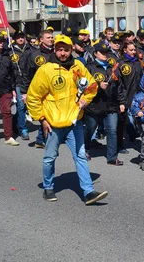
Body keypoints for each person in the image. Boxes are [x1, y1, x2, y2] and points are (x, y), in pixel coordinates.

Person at [26, 34, 108, 205]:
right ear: (55, 49)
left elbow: (91, 86)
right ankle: (48, 187)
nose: (62, 53)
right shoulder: (46, 70)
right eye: (59, 49)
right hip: (53, 124)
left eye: (66, 50)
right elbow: (33, 97)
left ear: (71, 50)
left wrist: (86, 99)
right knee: (50, 157)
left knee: (80, 156)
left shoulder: (78, 66)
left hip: (74, 122)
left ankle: (88, 192)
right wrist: (42, 119)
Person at [83, 42, 123, 165]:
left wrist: (122, 102)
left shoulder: (112, 68)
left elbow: (120, 86)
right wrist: (98, 86)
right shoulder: (90, 67)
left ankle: (112, 157)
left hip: (111, 105)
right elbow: (84, 85)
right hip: (95, 105)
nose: (105, 55)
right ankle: (85, 150)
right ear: (95, 54)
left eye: (106, 52)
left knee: (112, 130)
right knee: (90, 129)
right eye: (102, 52)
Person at [22, 29, 55, 148]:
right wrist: (24, 92)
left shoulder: (56, 53)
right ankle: (42, 138)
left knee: (49, 113)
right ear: (41, 40)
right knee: (44, 114)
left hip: (54, 89)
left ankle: (41, 138)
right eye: (48, 37)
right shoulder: (35, 55)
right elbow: (27, 74)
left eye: (52, 37)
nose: (51, 39)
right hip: (39, 89)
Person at [117, 41, 144, 153]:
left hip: (137, 96)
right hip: (124, 96)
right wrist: (121, 100)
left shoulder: (138, 63)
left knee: (140, 119)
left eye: (134, 50)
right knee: (122, 122)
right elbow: (118, 83)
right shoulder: (120, 63)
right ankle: (120, 145)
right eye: (131, 50)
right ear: (125, 50)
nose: (134, 52)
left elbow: (142, 79)